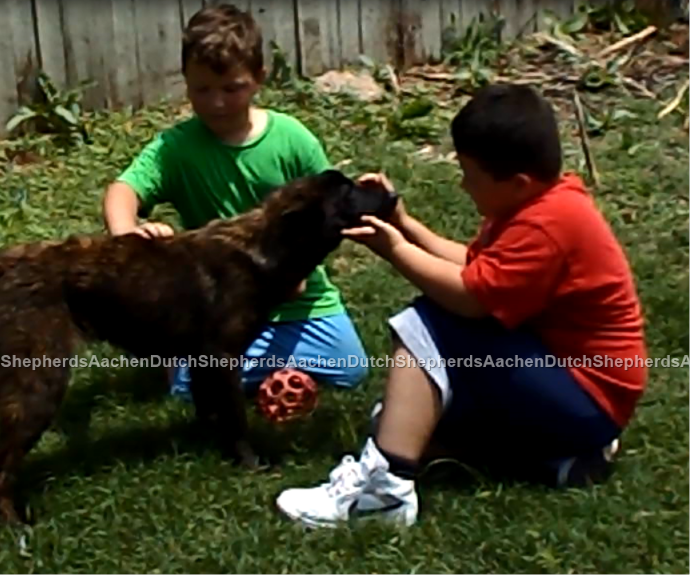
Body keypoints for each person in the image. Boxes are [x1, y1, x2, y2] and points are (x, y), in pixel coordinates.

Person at [275, 83, 648, 529]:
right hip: (577, 392)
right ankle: (563, 460)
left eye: (471, 173)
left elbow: (471, 299)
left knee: (427, 322)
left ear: (517, 183)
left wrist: (395, 250)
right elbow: (477, 266)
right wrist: (405, 225)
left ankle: (386, 492)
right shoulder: (546, 205)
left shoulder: (548, 225)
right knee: (399, 419)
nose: (462, 182)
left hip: (586, 394)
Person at [102, 4, 368, 398]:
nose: (217, 102)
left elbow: (331, 211)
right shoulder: (176, 148)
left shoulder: (292, 139)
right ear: (186, 83)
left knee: (351, 368)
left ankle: (229, 366)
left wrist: (295, 272)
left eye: (232, 88)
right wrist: (128, 237)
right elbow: (122, 191)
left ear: (259, 78)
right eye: (202, 90)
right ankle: (220, 366)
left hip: (300, 299)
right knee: (190, 387)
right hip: (219, 303)